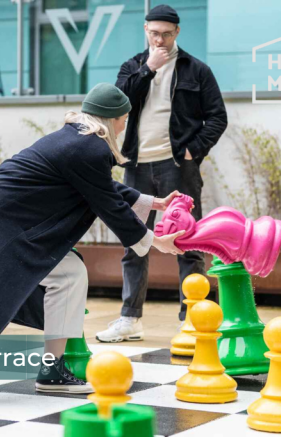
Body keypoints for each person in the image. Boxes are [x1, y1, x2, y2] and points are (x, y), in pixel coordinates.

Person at [0, 83, 186, 394]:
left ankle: (50, 369)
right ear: (111, 118)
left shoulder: (78, 139)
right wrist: (155, 241)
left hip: (2, 216)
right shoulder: (90, 147)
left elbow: (100, 187)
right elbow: (109, 204)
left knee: (56, 277)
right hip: (5, 223)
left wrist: (153, 203)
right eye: (124, 119)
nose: (124, 126)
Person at [96, 4, 228, 343]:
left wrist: (192, 151)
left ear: (177, 32)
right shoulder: (132, 67)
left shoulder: (197, 70)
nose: (160, 40)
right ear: (146, 30)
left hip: (178, 168)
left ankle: (191, 318)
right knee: (134, 241)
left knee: (188, 242)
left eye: (166, 34)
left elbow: (217, 116)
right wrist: (149, 70)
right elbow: (119, 105)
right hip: (137, 166)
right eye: (154, 33)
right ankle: (130, 319)